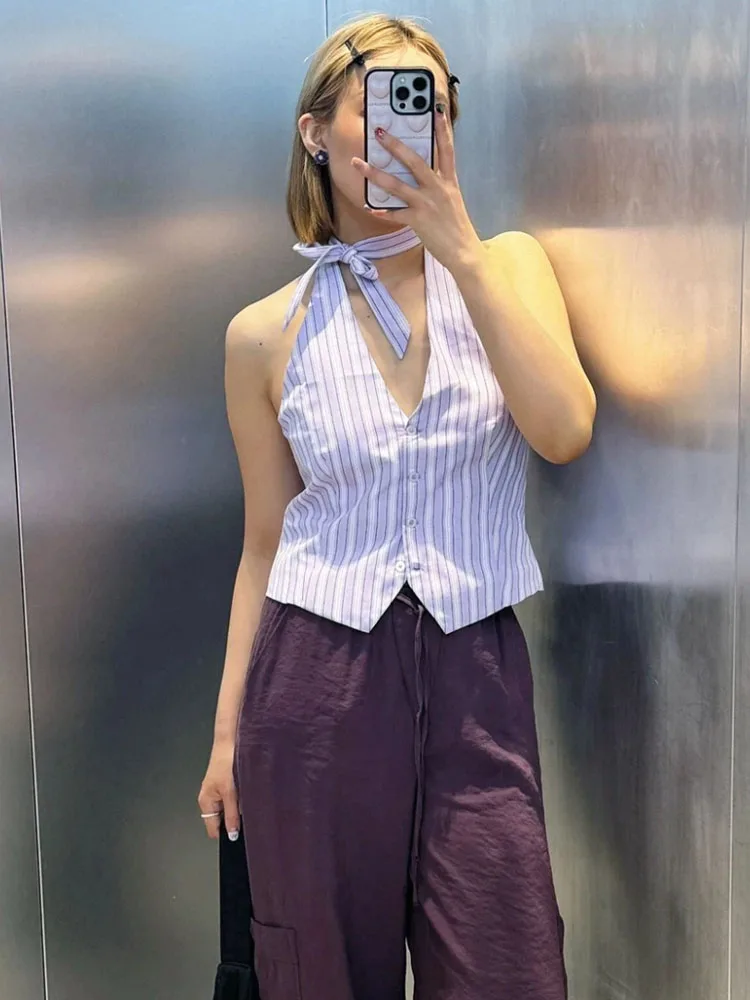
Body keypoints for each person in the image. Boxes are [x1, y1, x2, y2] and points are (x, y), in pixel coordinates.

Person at [198, 13, 595, 1000]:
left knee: (507, 965)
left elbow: (564, 429)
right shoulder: (264, 333)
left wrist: (459, 249)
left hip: (476, 672)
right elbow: (264, 545)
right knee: (321, 970)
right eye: (380, 105)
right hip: (314, 679)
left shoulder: (507, 268)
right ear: (315, 133)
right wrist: (225, 736)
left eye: (432, 106)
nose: (411, 127)